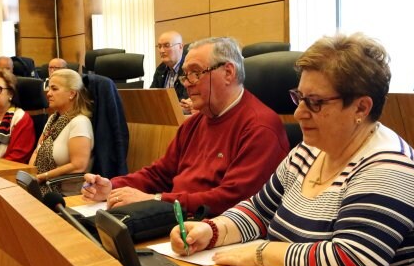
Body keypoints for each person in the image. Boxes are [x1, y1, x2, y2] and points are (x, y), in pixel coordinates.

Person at [170, 33, 414, 266]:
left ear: (361, 107)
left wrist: (260, 253)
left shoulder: (389, 168)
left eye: (315, 102)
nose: (298, 113)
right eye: (299, 97)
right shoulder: (309, 151)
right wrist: (212, 230)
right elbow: (260, 210)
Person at [82, 37, 290, 217]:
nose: (188, 83)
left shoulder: (260, 127)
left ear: (228, 73)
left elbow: (232, 200)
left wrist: (155, 201)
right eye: (185, 74)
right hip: (179, 219)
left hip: (215, 232)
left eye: (196, 73)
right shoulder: (194, 123)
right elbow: (160, 173)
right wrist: (113, 187)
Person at [30, 69, 94, 195]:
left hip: (66, 195)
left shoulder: (80, 122)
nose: (48, 93)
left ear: (71, 93)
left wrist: (43, 176)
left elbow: (78, 165)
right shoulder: (52, 119)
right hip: (43, 185)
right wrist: (30, 174)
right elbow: (37, 150)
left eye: (54, 89)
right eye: (49, 89)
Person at [150, 31, 193, 113]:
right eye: (159, 46)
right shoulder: (160, 69)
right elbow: (152, 98)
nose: (162, 50)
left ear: (180, 47)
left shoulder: (189, 68)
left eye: (167, 46)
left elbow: (185, 104)